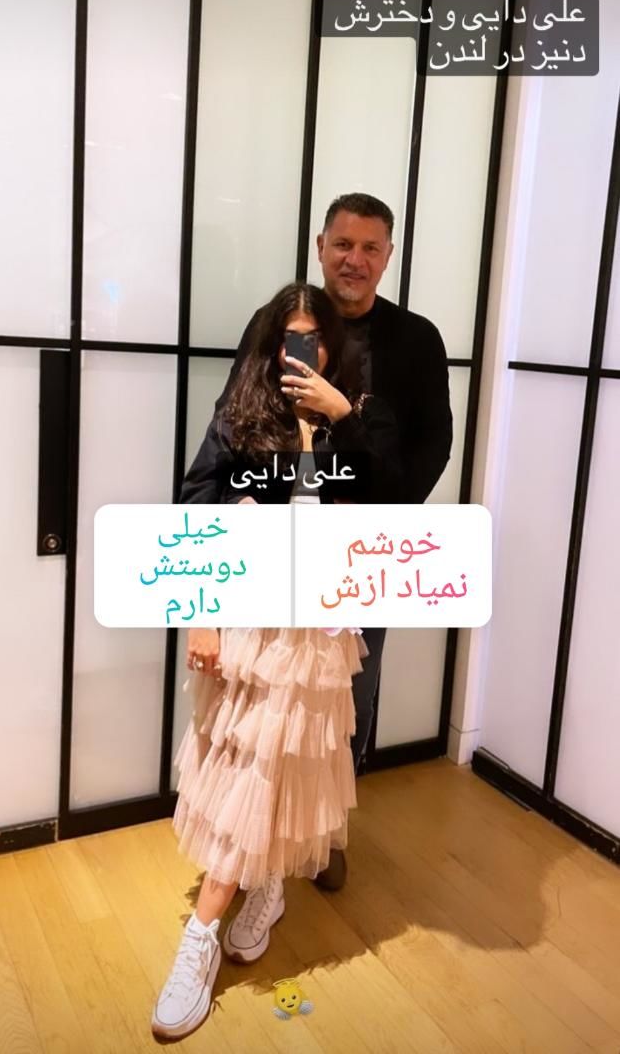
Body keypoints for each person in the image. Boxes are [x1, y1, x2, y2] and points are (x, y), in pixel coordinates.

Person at [151, 283, 402, 1041]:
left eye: (315, 337)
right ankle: (216, 924)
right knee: (244, 762)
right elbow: (195, 503)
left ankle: (243, 901)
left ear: (333, 345)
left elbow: (390, 501)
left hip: (320, 632)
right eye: (291, 337)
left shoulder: (358, 414)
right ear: (270, 344)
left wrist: (341, 416)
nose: (304, 350)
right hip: (252, 624)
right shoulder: (243, 411)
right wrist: (200, 613)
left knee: (284, 763)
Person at [181, 193, 453, 890]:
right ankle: (245, 850)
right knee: (253, 708)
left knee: (348, 704)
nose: (354, 259)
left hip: (359, 562)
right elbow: (227, 441)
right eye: (343, 244)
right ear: (321, 247)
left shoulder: (415, 340)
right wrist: (206, 588)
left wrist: (348, 430)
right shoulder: (280, 322)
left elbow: (426, 457)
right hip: (268, 560)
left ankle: (322, 835)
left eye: (370, 248)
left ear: (388, 257)